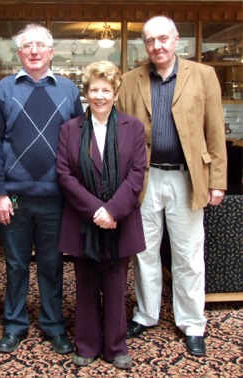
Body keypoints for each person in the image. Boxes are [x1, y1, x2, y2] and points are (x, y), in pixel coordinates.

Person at [117, 16, 227, 357]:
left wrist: (218, 181)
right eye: (150, 41)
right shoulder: (131, 79)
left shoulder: (203, 75)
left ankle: (192, 323)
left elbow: (214, 130)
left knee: (188, 256)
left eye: (163, 39)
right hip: (144, 180)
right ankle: (146, 315)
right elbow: (120, 134)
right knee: (144, 252)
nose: (157, 46)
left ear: (176, 39)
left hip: (187, 177)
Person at [0, 23, 84, 354]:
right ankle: (14, 325)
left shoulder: (69, 90)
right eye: (28, 46)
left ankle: (53, 325)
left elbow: (79, 145)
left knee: (52, 265)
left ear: (51, 52)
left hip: (56, 198)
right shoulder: (4, 89)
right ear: (19, 53)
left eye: (41, 45)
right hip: (14, 197)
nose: (35, 51)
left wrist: (76, 194)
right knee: (14, 265)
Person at [56, 61, 147, 369]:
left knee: (116, 282)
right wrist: (96, 210)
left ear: (116, 92)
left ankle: (116, 347)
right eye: (93, 89)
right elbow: (65, 174)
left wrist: (112, 210)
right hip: (84, 219)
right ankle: (87, 344)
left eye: (105, 90)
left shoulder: (132, 127)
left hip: (120, 219)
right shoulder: (70, 129)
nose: (99, 96)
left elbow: (137, 173)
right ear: (86, 92)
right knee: (85, 284)